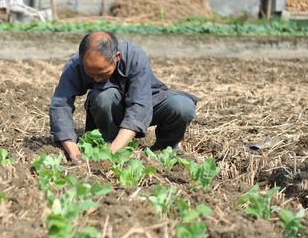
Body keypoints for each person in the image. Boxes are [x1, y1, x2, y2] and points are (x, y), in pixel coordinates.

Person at [49, 31, 198, 163]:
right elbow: (60, 105)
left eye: (101, 73)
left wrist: (111, 154)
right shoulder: (75, 65)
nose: (96, 79)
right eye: (90, 74)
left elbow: (139, 106)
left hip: (147, 104)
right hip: (108, 108)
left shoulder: (135, 57)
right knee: (104, 96)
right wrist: (74, 153)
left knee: (182, 105)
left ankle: (164, 151)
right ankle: (107, 142)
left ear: (117, 58)